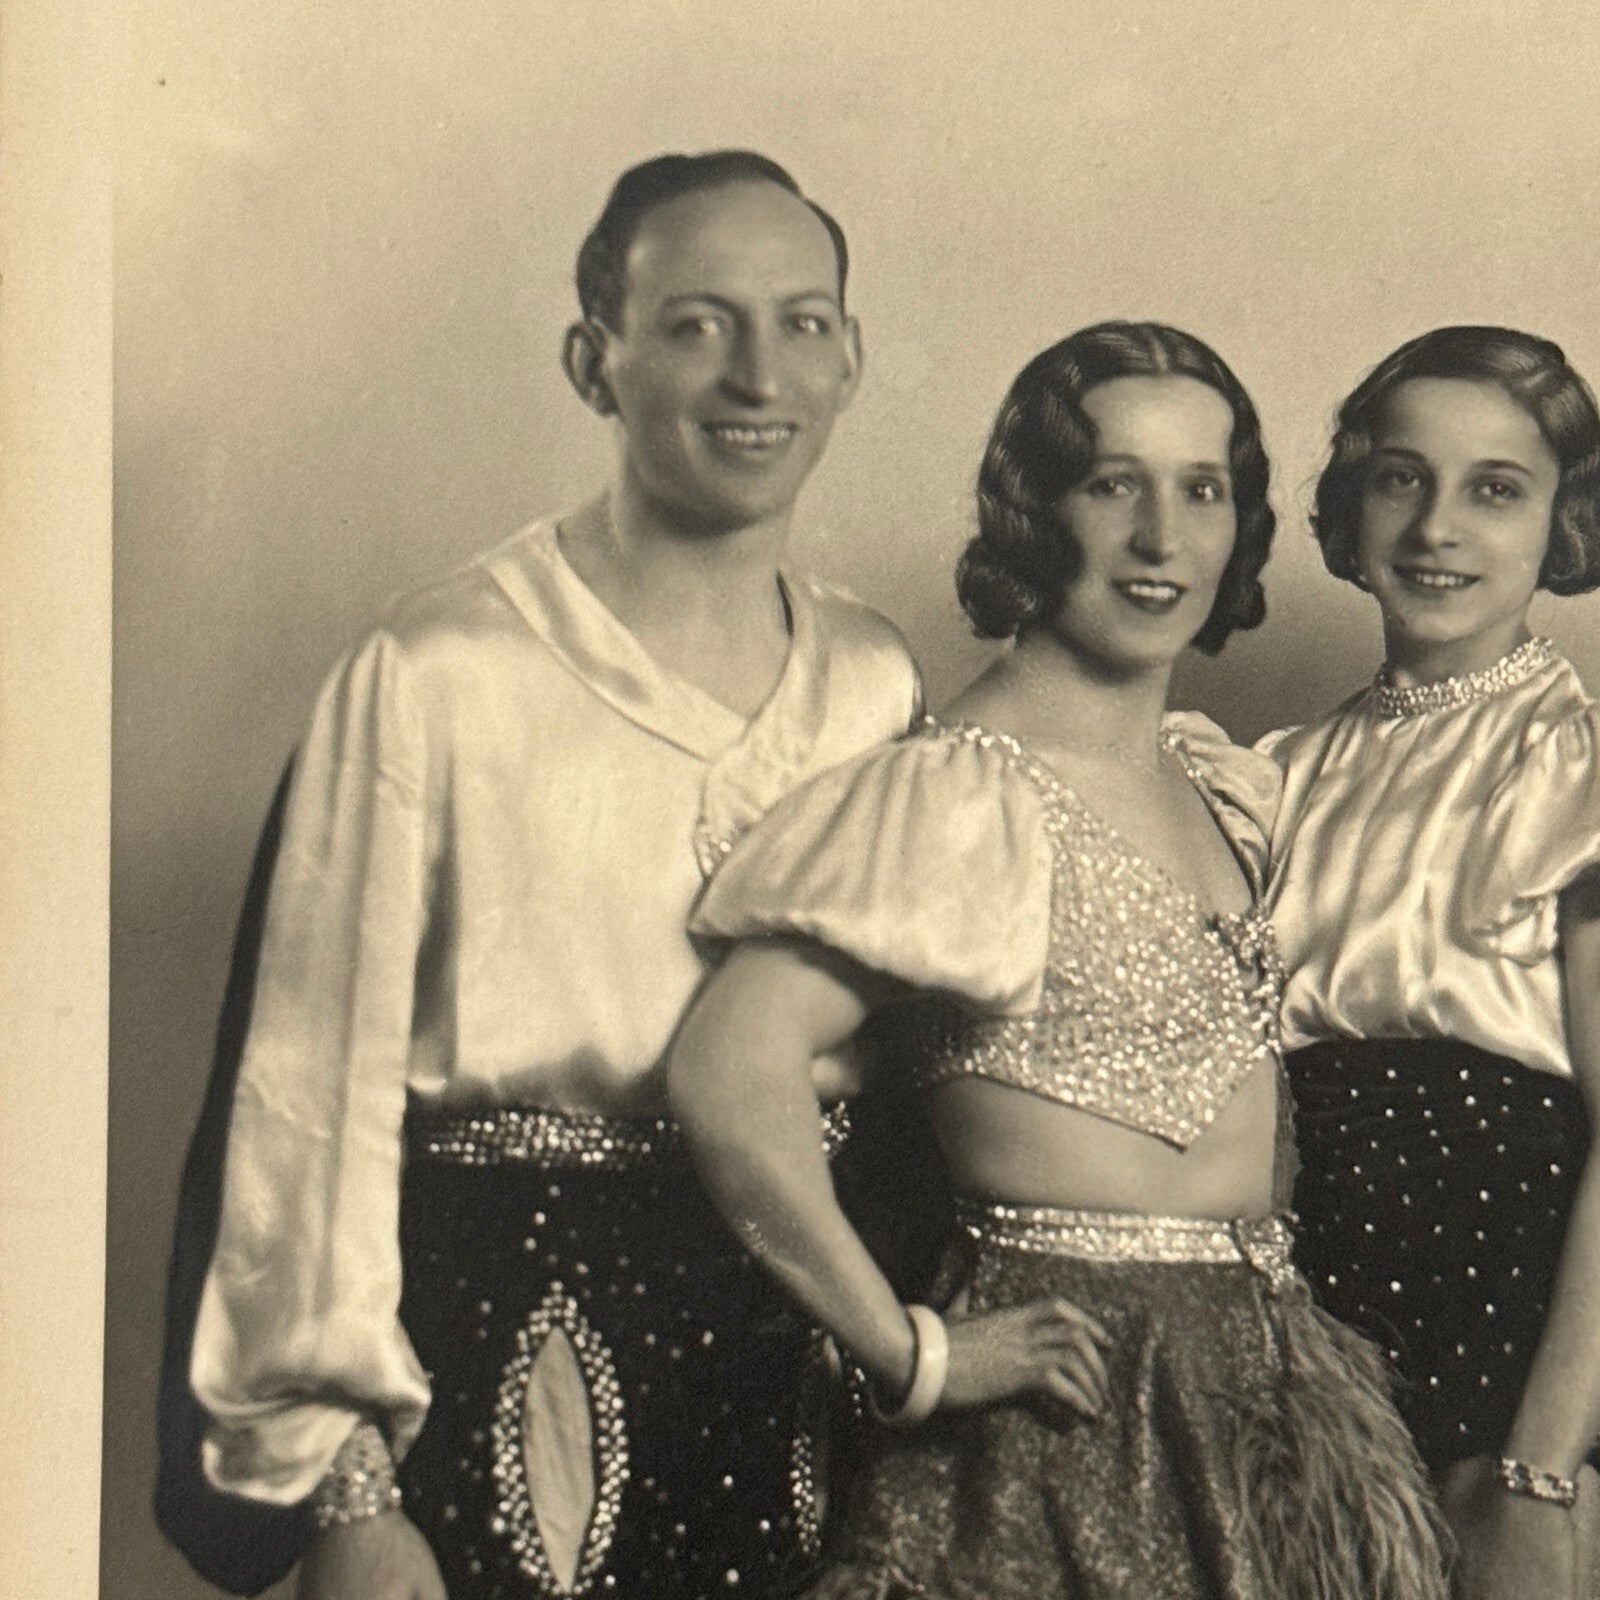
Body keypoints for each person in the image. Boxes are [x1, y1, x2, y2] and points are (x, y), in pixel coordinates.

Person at [178, 149, 923, 1600]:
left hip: (803, 1358)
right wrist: (345, 1493)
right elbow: (306, 1097)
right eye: (699, 322)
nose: (757, 374)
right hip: (515, 1333)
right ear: (598, 362)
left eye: (804, 322)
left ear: (850, 362)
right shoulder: (441, 671)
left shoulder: (877, 683)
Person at [666, 321, 1450, 1599]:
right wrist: (915, 1355)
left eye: (1202, 489)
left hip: (1268, 1414)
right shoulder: (959, 792)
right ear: (1036, 510)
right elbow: (725, 1068)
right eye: (1111, 483)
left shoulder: (1219, 782)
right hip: (1063, 1415)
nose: (1162, 538)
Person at [1262, 325, 1600, 1600]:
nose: (1437, 527)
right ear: (1352, 505)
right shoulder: (1272, 779)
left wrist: (1541, 1473)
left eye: (1493, 489)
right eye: (1402, 478)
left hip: (1526, 1364)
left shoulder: (1572, 767)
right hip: (1319, 1355)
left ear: (1561, 520)